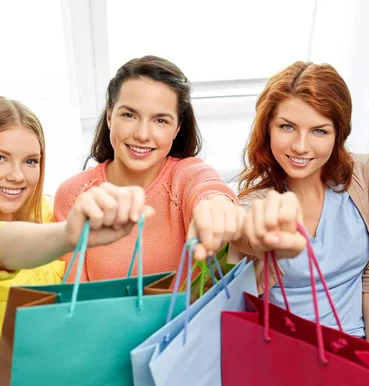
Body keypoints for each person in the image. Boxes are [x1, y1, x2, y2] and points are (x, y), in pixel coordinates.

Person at [0, 96, 153, 386]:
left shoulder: (55, 212)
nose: (17, 175)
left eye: (30, 161)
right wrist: (67, 234)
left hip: (44, 383)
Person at [233, 61, 369, 386]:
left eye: (319, 131)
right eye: (287, 126)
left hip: (359, 365)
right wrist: (256, 236)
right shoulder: (257, 203)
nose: (301, 146)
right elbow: (240, 232)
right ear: (268, 129)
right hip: (290, 376)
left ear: (338, 133)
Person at [54, 55, 248, 281]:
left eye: (160, 121)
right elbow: (72, 298)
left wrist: (218, 207)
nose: (142, 134)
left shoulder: (187, 176)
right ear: (109, 117)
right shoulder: (73, 195)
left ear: (177, 129)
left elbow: (209, 189)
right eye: (129, 115)